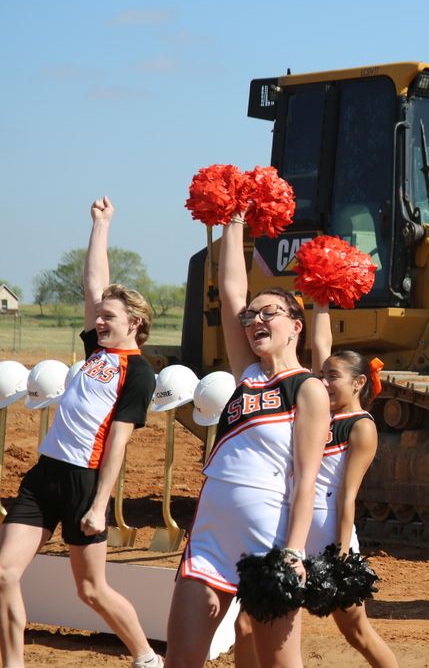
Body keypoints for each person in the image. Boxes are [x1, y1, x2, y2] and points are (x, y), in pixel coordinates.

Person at [0, 197, 162, 668]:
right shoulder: (97, 352)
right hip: (44, 476)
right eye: (99, 316)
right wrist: (100, 224)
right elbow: (95, 283)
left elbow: (119, 444)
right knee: (4, 573)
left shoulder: (139, 373)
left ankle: (146, 657)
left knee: (90, 589)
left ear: (135, 323)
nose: (99, 321)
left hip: (85, 482)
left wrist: (98, 505)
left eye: (109, 317)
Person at [164, 209, 330, 668]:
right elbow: (232, 292)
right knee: (180, 659)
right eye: (251, 316)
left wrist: (294, 551)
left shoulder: (307, 388)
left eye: (268, 312)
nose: (256, 318)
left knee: (278, 663)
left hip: (269, 540)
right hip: (210, 535)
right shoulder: (248, 375)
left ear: (295, 325)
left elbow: (307, 479)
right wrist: (234, 219)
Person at [233, 302, 399, 668]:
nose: (323, 381)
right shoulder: (317, 406)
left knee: (356, 631)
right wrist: (321, 300)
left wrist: (342, 553)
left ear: (358, 383)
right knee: (248, 621)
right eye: (321, 375)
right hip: (291, 524)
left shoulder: (361, 426)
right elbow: (322, 344)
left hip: (328, 534)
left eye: (332, 376)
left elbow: (348, 496)